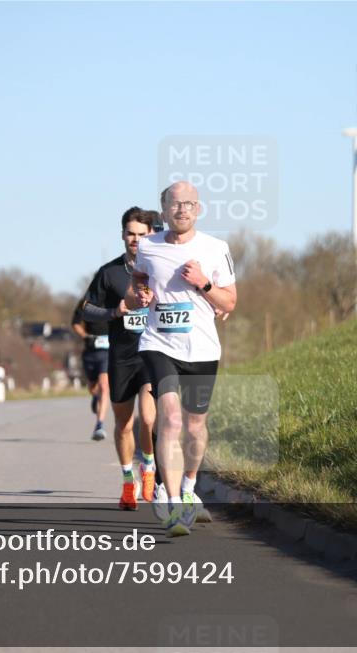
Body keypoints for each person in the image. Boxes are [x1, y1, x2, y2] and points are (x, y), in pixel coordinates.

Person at [127, 181, 238, 537]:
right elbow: (138, 281)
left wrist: (203, 283)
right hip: (159, 344)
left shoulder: (216, 248)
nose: (182, 210)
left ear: (198, 209)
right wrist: (141, 293)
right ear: (163, 210)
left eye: (189, 204)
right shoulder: (148, 246)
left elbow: (230, 302)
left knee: (195, 426)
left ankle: (189, 487)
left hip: (202, 349)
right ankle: (173, 503)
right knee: (171, 419)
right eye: (175, 204)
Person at [80, 207, 160, 510]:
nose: (136, 239)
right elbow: (87, 309)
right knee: (124, 425)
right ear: (123, 235)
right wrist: (114, 311)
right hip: (121, 357)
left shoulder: (160, 268)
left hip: (152, 354)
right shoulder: (109, 272)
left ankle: (149, 466)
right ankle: (128, 481)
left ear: (151, 234)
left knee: (149, 419)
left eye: (142, 234)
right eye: (131, 234)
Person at [72, 294, 110, 441]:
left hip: (108, 352)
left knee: (104, 386)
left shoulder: (113, 300)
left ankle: (99, 425)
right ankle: (95, 396)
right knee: (93, 387)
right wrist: (86, 336)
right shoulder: (86, 302)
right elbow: (75, 323)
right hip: (90, 352)